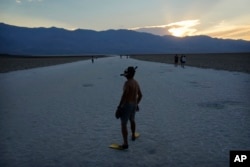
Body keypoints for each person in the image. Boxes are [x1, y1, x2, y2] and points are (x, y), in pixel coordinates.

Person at [117, 66, 142, 149]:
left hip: (127, 105)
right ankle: (133, 135)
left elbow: (124, 95)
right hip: (134, 104)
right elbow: (140, 95)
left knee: (123, 124)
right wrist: (136, 104)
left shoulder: (127, 83)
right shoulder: (136, 82)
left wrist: (119, 107)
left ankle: (125, 143)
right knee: (132, 120)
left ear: (128, 74)